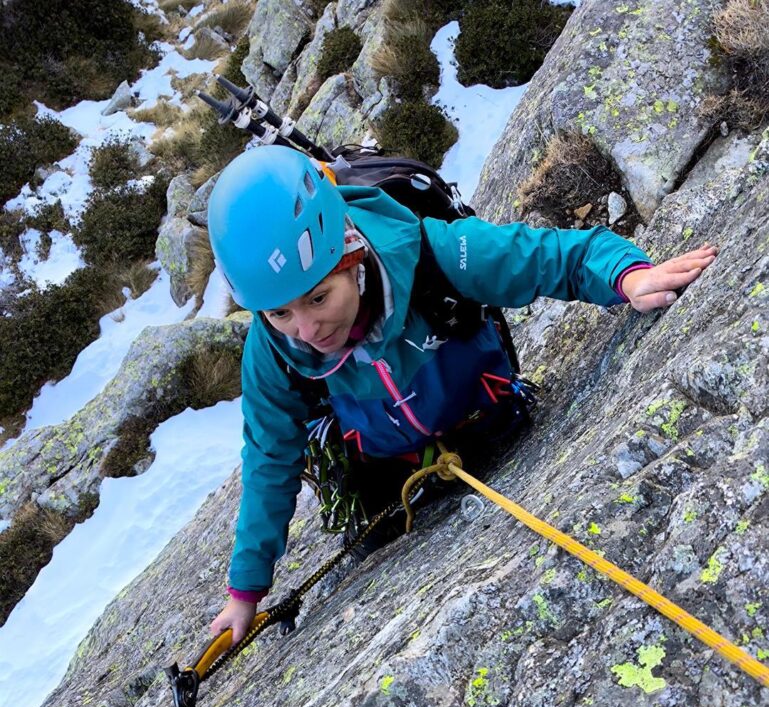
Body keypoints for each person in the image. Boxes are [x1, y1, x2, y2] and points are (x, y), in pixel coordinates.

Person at [206, 145, 717, 645]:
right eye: (280, 313)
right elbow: (270, 458)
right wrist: (246, 591)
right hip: (389, 476)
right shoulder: (272, 351)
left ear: (352, 252)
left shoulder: (431, 255)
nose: (307, 328)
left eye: (319, 298)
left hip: (487, 419)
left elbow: (548, 256)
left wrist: (626, 275)